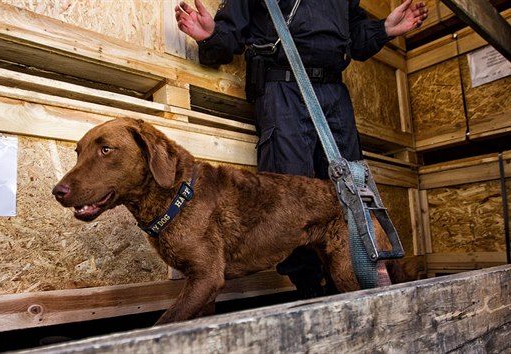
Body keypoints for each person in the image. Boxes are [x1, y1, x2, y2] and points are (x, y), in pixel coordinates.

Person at [176, 0, 428, 298]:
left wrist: (385, 28)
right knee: (288, 200)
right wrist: (210, 36)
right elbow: (230, 36)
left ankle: (358, 284)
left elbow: (356, 39)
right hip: (283, 89)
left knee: (352, 193)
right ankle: (310, 292)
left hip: (334, 94)